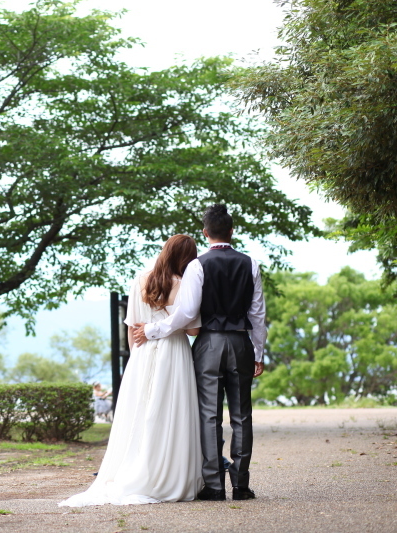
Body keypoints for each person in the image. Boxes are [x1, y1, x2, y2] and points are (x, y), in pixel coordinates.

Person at [132, 204, 266, 501]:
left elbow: (187, 312)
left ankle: (215, 486)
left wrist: (153, 330)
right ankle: (241, 486)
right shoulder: (251, 264)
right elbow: (258, 315)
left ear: (206, 233)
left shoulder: (197, 265)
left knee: (209, 415)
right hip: (241, 343)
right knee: (242, 415)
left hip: (208, 345)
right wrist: (259, 352)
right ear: (232, 231)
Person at [59, 234, 203, 507]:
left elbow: (131, 326)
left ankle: (133, 467)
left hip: (141, 354)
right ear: (188, 258)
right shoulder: (184, 284)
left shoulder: (141, 280)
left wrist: (135, 359)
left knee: (138, 414)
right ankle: (166, 473)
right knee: (168, 412)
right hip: (174, 353)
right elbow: (194, 329)